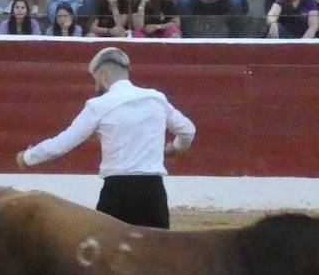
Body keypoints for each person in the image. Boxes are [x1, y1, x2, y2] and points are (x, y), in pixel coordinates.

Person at [16, 46, 195, 230]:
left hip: (117, 193)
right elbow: (188, 130)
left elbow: (61, 144)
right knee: (155, 255)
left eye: (95, 80)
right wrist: (175, 147)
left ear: (102, 75)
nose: (95, 86)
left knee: (106, 257)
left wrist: (29, 157)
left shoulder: (99, 105)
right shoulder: (156, 99)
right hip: (153, 192)